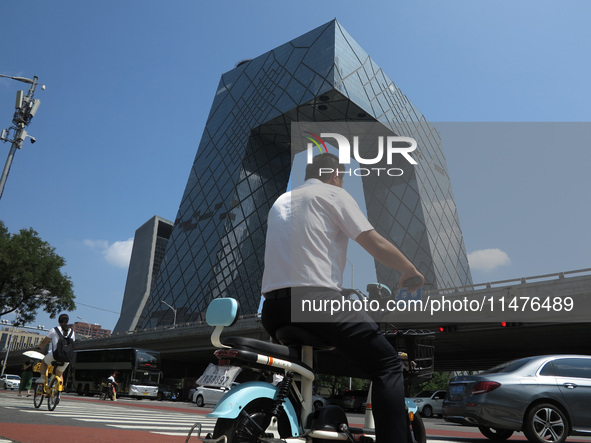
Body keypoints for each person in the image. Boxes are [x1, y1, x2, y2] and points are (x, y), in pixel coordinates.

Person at [261, 153, 424, 443]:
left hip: (272, 309)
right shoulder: (333, 194)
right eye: (343, 177)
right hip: (316, 302)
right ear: (334, 174)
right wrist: (409, 270)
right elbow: (374, 242)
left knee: (304, 371)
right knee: (387, 363)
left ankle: (308, 428)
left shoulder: (281, 201)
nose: (342, 182)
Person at [36, 313, 76, 383]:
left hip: (54, 356)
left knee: (44, 362)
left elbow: (45, 341)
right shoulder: (72, 332)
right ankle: (58, 390)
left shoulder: (54, 330)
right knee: (59, 375)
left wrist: (40, 346)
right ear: (67, 321)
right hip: (66, 358)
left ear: (58, 321)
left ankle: (42, 378)